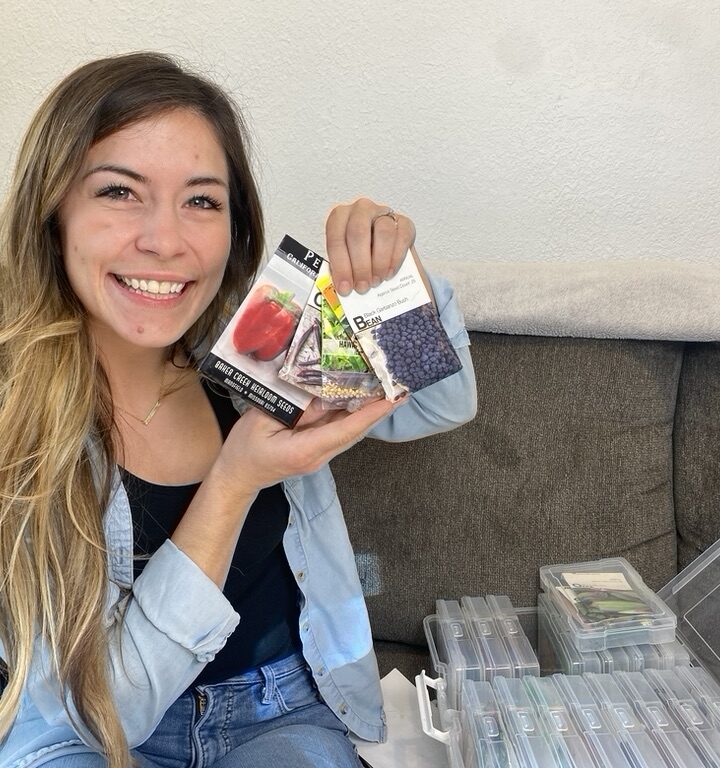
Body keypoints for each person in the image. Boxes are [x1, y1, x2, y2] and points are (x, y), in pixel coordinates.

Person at [0, 51, 476, 768]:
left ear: (234, 227)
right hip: (91, 734)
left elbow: (441, 400)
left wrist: (388, 281)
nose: (165, 240)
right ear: (54, 214)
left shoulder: (259, 350)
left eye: (201, 200)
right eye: (119, 192)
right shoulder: (16, 418)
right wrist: (233, 483)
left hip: (279, 715)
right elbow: (104, 715)